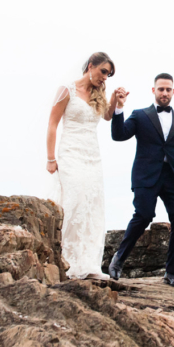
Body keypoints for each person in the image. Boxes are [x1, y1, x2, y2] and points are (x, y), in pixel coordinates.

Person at [108, 73, 174, 288]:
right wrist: (119, 107)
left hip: (173, 178)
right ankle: (118, 259)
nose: (164, 93)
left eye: (168, 89)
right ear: (153, 90)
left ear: (173, 92)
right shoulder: (140, 115)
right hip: (146, 175)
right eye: (161, 89)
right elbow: (119, 135)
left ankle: (171, 272)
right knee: (143, 216)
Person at [46, 52, 122, 279]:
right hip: (70, 153)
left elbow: (107, 116)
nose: (105, 78)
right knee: (75, 201)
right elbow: (52, 124)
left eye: (108, 75)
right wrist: (51, 158)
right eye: (103, 72)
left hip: (92, 156)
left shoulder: (99, 93)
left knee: (92, 204)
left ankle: (88, 265)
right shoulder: (66, 90)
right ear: (91, 66)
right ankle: (65, 260)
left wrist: (116, 100)